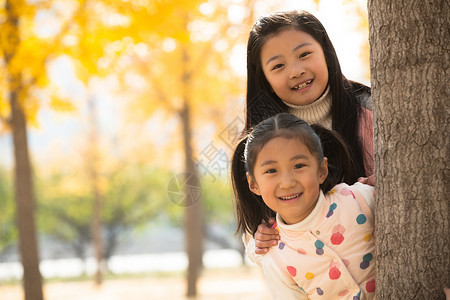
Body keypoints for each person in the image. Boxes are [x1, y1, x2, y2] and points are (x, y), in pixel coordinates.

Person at [241, 10, 374, 253]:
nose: (296, 70)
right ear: (264, 78)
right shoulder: (259, 141)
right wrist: (256, 240)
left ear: (326, 53)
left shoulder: (372, 112)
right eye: (278, 65)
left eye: (304, 54)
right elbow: (251, 222)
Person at [231, 113, 375, 299]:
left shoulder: (357, 200)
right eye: (271, 171)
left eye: (298, 166)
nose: (287, 182)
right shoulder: (275, 256)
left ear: (322, 170)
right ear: (254, 184)